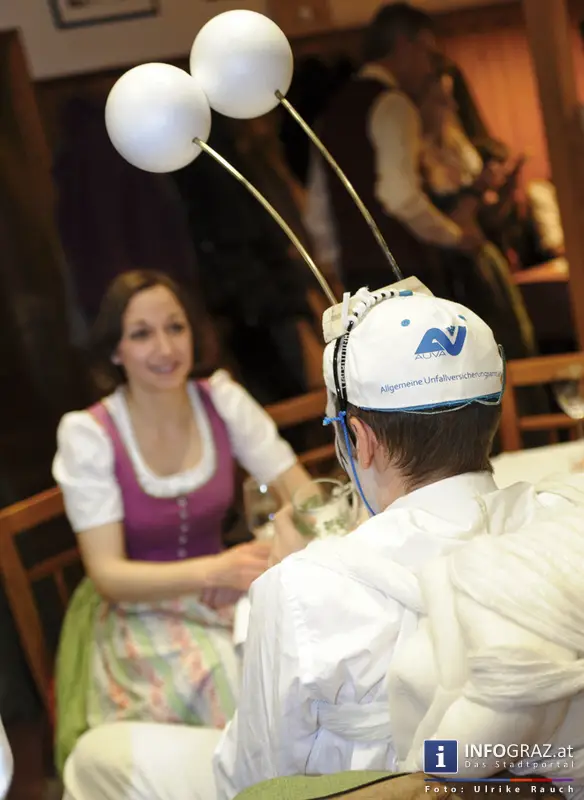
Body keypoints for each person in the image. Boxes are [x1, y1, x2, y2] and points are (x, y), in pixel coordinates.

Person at [214, 287, 584, 797]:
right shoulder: (564, 525)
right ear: (491, 417)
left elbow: (255, 782)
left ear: (360, 440)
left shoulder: (302, 589)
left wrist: (287, 584)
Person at [52, 269, 311, 775]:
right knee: (234, 682)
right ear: (114, 350)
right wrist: (215, 571)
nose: (165, 347)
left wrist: (273, 550)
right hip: (141, 608)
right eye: (141, 334)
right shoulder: (90, 434)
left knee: (304, 665)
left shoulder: (221, 400)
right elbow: (108, 575)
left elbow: (303, 496)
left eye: (176, 327)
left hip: (232, 591)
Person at [304, 2, 482, 295]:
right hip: (405, 271)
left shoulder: (333, 112)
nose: (428, 68)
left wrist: (337, 270)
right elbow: (399, 197)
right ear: (404, 45)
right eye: (427, 53)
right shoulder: (394, 104)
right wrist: (455, 236)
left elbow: (317, 210)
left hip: (357, 279)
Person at [418, 72, 537, 361]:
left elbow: (487, 220)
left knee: (517, 340)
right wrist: (478, 190)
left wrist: (503, 188)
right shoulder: (421, 157)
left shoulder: (455, 147)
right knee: (491, 350)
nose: (453, 107)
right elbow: (455, 220)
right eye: (441, 99)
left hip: (482, 255)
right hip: (457, 270)